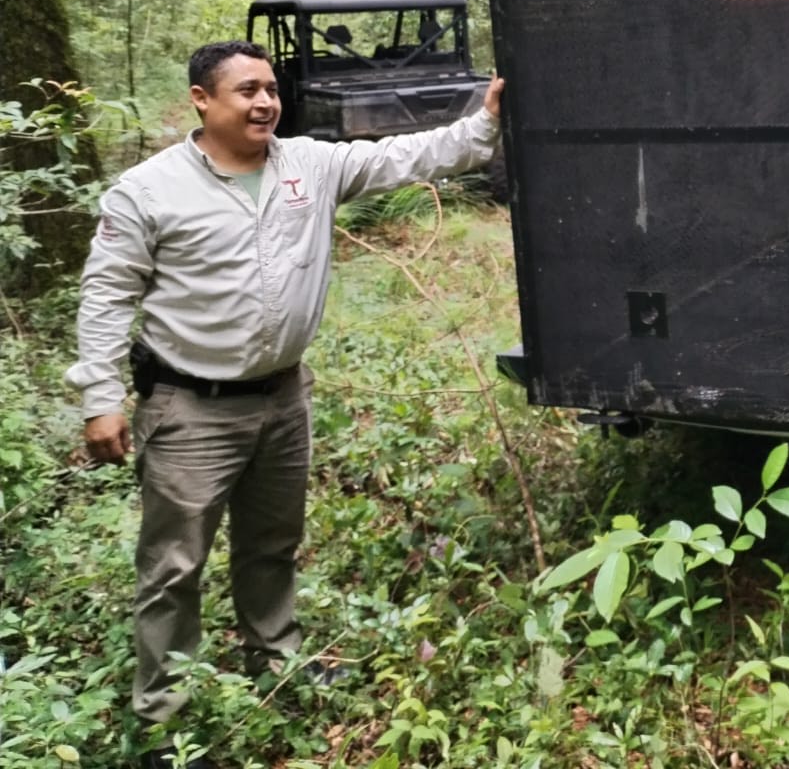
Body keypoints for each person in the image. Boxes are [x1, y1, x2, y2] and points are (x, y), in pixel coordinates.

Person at [67, 41, 504, 769]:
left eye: (270, 88)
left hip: (282, 398)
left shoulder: (311, 165)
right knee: (174, 565)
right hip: (189, 408)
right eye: (246, 90)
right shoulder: (147, 190)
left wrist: (484, 118)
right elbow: (107, 295)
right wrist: (100, 397)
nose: (265, 102)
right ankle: (165, 719)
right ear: (202, 101)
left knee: (272, 543)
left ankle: (277, 660)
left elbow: (413, 156)